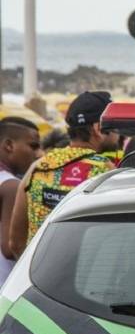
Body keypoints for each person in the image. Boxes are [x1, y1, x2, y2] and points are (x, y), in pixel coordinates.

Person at [9, 91, 119, 258]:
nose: (118, 133)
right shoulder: (105, 172)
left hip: (39, 278)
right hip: (84, 279)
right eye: (114, 126)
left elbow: (16, 244)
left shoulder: (38, 168)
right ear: (98, 129)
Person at [0, 117, 42, 283]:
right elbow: (12, 247)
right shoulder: (10, 186)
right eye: (33, 146)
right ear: (9, 145)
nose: (39, 154)